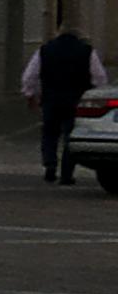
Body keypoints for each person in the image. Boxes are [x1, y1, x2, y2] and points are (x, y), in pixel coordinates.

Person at [32, 25, 101, 184]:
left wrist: (31, 94)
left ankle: (50, 164)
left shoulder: (45, 50)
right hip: (76, 100)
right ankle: (66, 173)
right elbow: (99, 77)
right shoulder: (87, 51)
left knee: (49, 133)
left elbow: (31, 75)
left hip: (51, 98)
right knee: (70, 136)